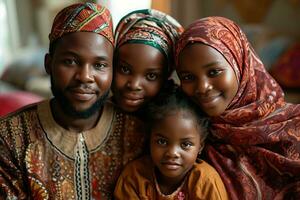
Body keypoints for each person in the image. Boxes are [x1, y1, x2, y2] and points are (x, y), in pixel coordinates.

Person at [0, 2, 146, 199]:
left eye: (100, 65)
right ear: (48, 64)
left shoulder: (138, 134)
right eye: (70, 61)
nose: (85, 76)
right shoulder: (10, 137)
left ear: (112, 70)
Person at [175, 16, 300, 200]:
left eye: (213, 72)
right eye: (188, 77)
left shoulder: (293, 126)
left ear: (241, 65)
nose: (202, 87)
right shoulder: (189, 136)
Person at [114, 83, 228, 199]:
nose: (172, 153)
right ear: (150, 139)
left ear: (200, 146)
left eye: (185, 144)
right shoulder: (135, 176)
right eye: (162, 142)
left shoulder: (206, 182)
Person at [112, 9, 183, 113]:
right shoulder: (93, 116)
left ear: (166, 76)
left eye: (151, 76)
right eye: (125, 69)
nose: (134, 85)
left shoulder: (176, 122)